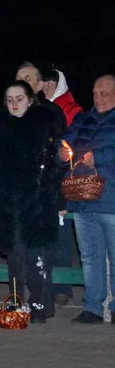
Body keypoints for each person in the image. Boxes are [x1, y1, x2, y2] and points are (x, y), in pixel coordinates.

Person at [0, 81, 64, 323]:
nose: (14, 104)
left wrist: (61, 163)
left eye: (19, 98)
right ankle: (16, 302)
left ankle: (40, 304)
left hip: (38, 201)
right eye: (9, 100)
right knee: (15, 257)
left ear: (30, 100)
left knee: (37, 256)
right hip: (8, 204)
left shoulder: (44, 125)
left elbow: (57, 164)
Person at [58, 74, 115, 324]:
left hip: (111, 199)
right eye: (95, 93)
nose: (98, 98)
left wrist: (97, 158)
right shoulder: (83, 119)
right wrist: (61, 152)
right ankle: (93, 306)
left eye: (104, 93)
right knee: (89, 256)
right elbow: (66, 141)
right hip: (81, 198)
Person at [42, 67, 84, 307]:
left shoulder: (71, 109)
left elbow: (74, 145)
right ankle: (45, 283)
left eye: (51, 83)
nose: (46, 87)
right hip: (42, 179)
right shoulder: (38, 107)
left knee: (61, 233)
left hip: (62, 178)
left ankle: (62, 287)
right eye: (44, 82)